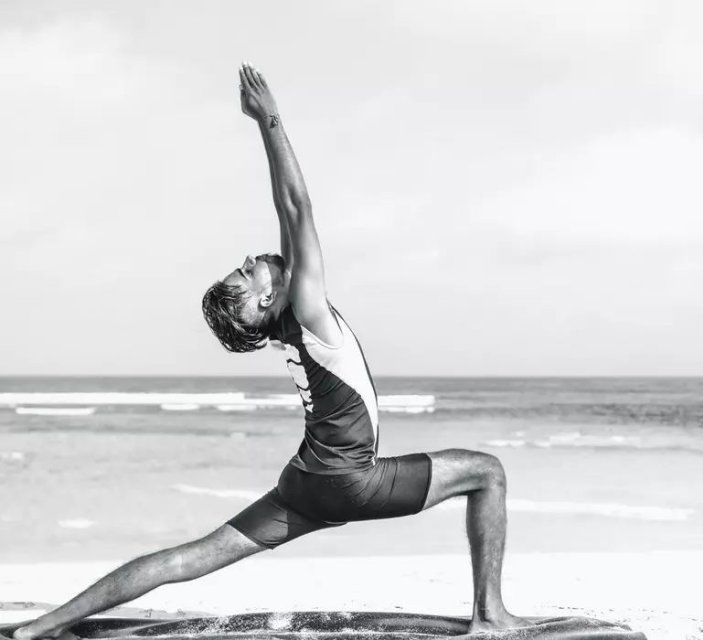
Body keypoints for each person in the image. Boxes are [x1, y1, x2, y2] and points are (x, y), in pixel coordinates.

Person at [13, 63, 526, 640]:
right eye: (246, 269)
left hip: (303, 482)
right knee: (487, 472)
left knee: (187, 558)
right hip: (349, 480)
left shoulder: (289, 319)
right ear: (263, 300)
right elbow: (301, 209)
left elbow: (286, 212)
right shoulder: (307, 311)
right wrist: (270, 119)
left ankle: (44, 626)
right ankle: (490, 617)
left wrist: (262, 131)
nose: (252, 257)